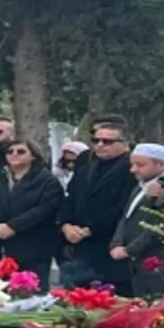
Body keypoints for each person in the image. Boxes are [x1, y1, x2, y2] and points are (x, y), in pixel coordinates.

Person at [0, 139, 63, 289]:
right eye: (10, 152)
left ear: (33, 156)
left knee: (29, 294)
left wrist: (13, 226)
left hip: (31, 247)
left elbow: (45, 209)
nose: (14, 155)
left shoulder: (47, 181)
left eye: (21, 152)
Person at [58, 121, 133, 293]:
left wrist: (90, 229)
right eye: (96, 140)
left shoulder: (130, 170)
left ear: (124, 144)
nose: (100, 145)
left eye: (107, 141)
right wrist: (66, 225)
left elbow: (123, 207)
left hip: (108, 244)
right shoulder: (86, 168)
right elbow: (69, 199)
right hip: (78, 245)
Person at [110, 144, 164, 297]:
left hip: (156, 261)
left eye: (140, 165)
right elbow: (126, 217)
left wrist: (129, 249)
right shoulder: (141, 185)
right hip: (137, 262)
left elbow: (161, 224)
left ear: (161, 164)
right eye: (132, 164)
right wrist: (116, 243)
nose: (133, 170)